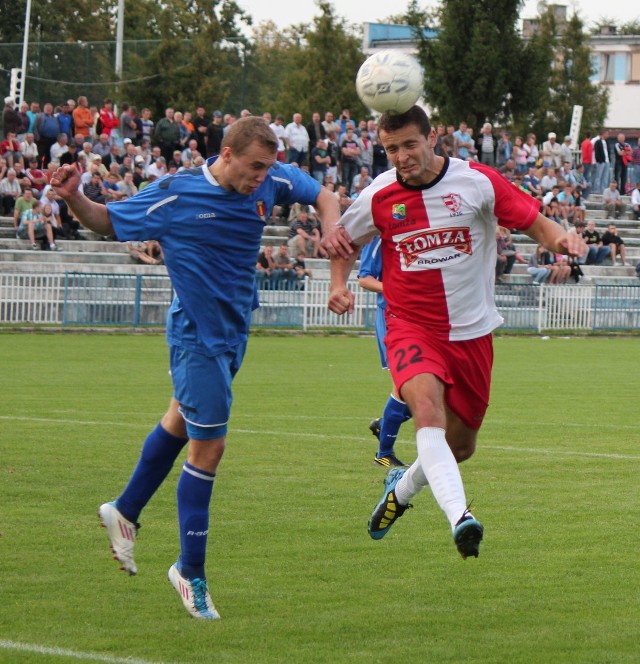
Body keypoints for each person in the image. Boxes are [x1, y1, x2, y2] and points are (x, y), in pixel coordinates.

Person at [51, 115, 340, 620]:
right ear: (226, 155)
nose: (261, 179)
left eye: (267, 168)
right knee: (211, 446)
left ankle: (124, 511)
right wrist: (74, 198)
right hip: (196, 338)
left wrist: (332, 232)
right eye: (254, 167)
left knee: (180, 423)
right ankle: (190, 570)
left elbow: (326, 197)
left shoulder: (272, 177)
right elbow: (107, 220)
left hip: (232, 334)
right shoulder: (176, 195)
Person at [321, 106, 586, 560]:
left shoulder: (477, 182)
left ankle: (400, 492)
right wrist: (338, 284)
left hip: (472, 332)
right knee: (426, 412)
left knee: (460, 447)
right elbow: (344, 240)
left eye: (409, 145)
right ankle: (461, 518)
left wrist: (562, 240)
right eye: (391, 149)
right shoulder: (379, 195)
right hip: (410, 326)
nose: (401, 157)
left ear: (432, 139)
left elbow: (536, 224)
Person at [358, 236, 411, 469]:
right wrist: (394, 290)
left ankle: (384, 425)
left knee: (439, 388)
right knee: (404, 383)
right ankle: (384, 453)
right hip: (393, 317)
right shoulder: (381, 237)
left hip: (423, 317)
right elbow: (364, 278)